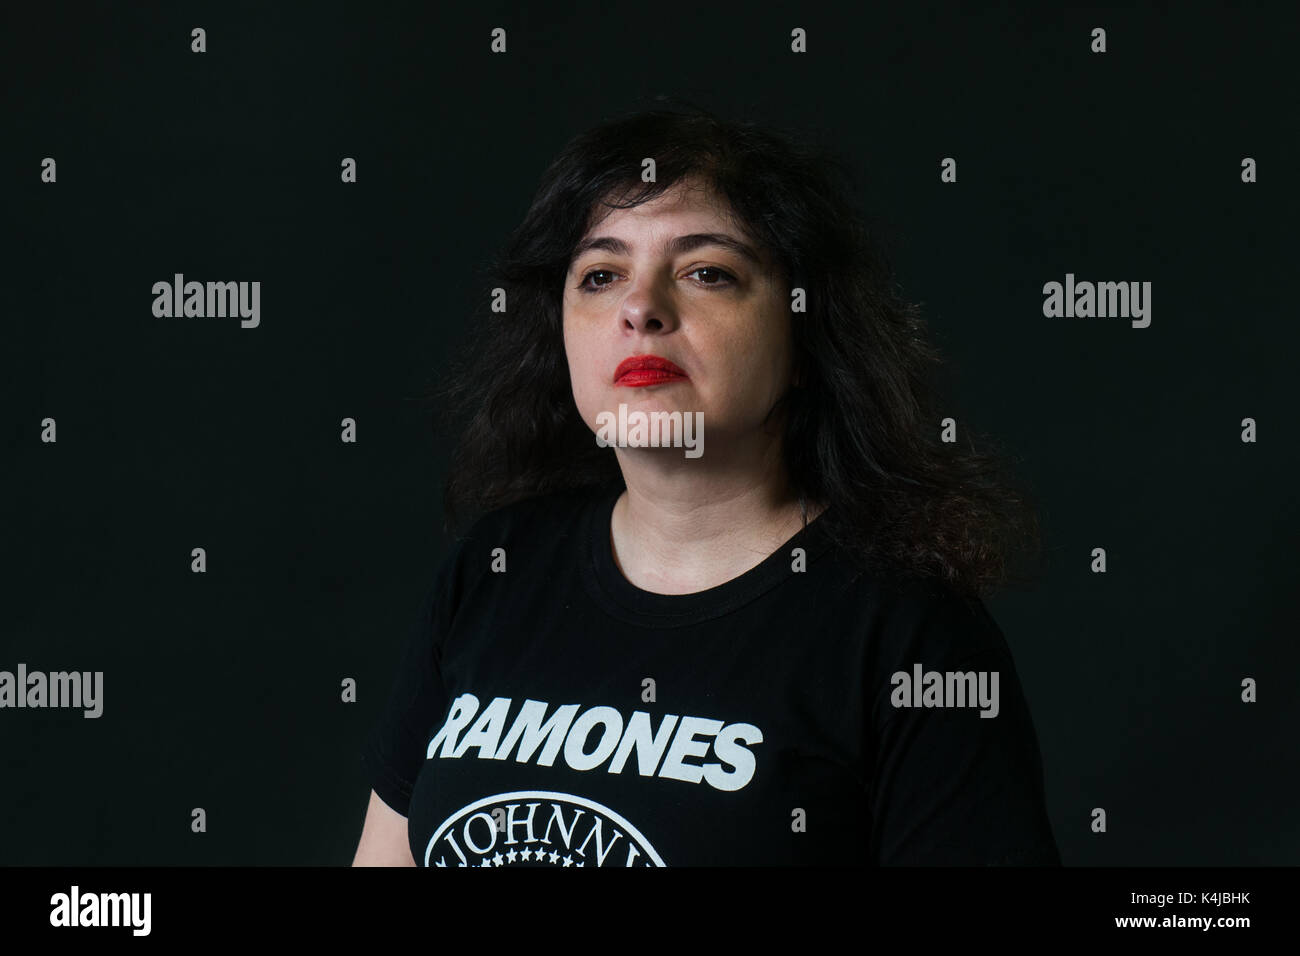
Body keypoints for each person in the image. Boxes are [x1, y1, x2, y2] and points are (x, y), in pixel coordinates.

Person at [352, 105, 1060, 867]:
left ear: (804, 339)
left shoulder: (908, 633)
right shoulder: (494, 570)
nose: (641, 308)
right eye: (601, 274)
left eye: (706, 273)